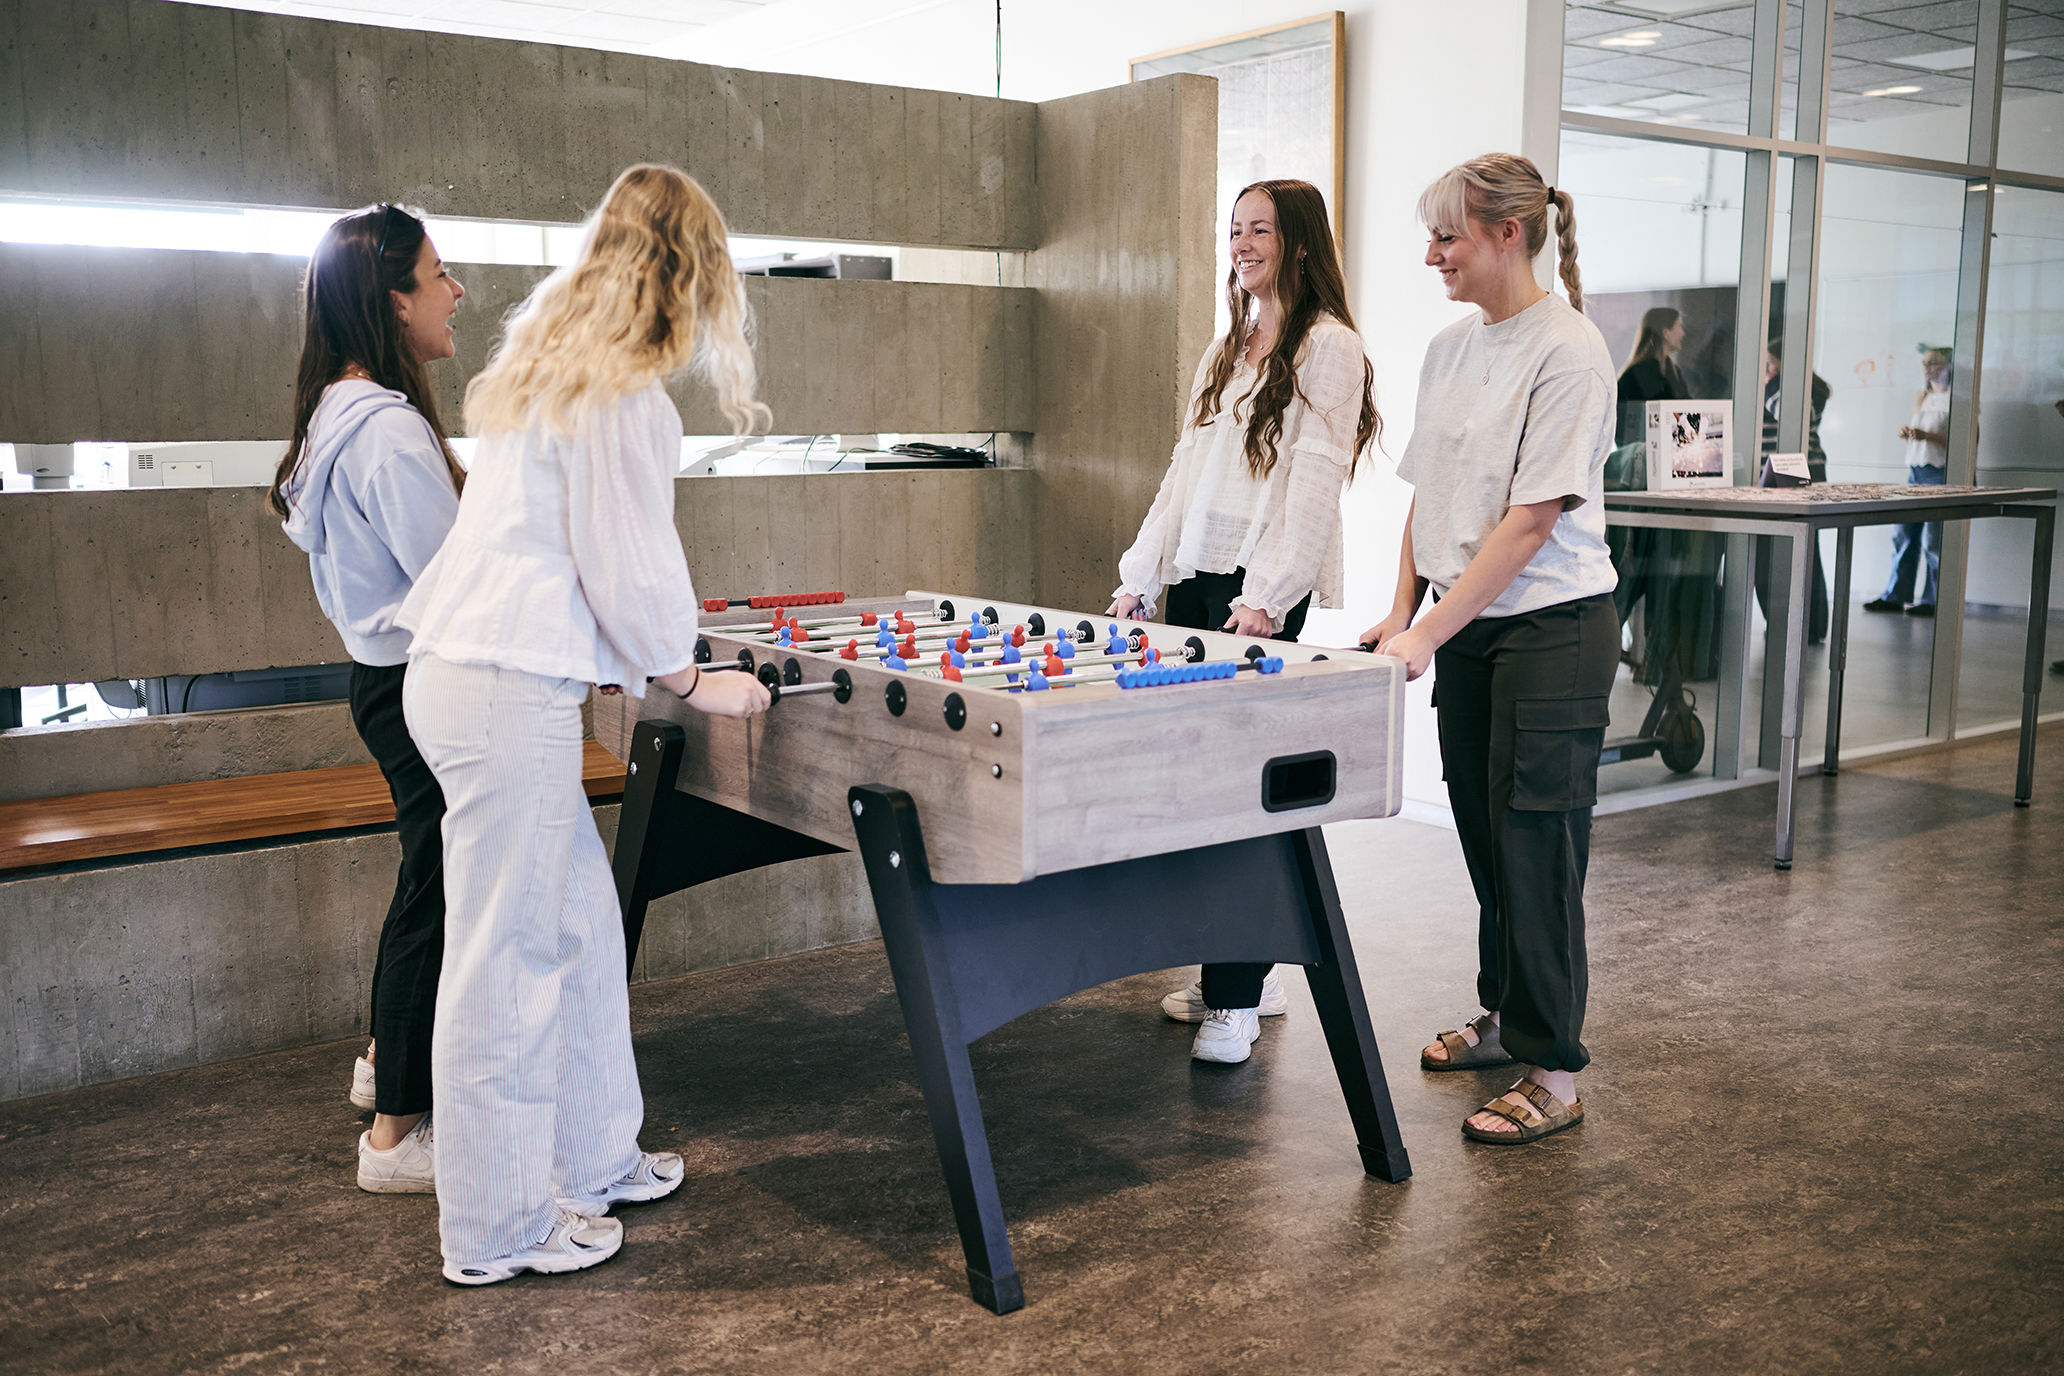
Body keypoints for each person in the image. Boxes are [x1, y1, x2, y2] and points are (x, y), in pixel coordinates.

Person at [395, 164, 772, 1285]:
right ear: (689, 276)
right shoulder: (618, 394)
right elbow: (631, 568)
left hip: (478, 676)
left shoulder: (555, 369)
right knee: (507, 959)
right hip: (504, 687)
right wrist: (696, 680)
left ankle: (595, 1154)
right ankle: (499, 1226)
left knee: (579, 926)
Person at [1363, 153, 1618, 1145]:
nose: (1432, 255)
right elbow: (1430, 496)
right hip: (1471, 626)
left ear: (1507, 235)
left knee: (1535, 844)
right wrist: (1399, 611)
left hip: (1553, 629)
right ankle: (1506, 1017)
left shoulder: (1570, 350)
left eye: (1447, 237)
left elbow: (1530, 520)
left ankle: (1553, 1069)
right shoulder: (1450, 348)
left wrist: (1428, 629)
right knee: (1484, 833)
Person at [1107, 178, 1381, 1066]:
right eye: (1233, 230)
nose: (1242, 244)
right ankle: (1240, 981)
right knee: (1197, 790)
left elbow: (1311, 487)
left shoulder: (1331, 347)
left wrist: (1267, 596)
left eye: (1259, 229)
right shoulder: (1228, 346)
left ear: (1299, 242)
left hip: (1260, 592)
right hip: (1196, 576)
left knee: (1245, 791)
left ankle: (1236, 996)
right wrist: (1140, 576)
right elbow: (1183, 469)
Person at [272, 203, 465, 1195]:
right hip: (420, 681)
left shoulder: (336, 416)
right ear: (392, 302)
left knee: (426, 878)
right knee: (435, 886)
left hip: (379, 681)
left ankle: (388, 1057)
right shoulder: (387, 433)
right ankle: (395, 1132)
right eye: (439, 276)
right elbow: (455, 582)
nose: (456, 291)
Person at [1865, 345, 1953, 616]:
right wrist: (1911, 433)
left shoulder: (1957, 399)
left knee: (1934, 540)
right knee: (1903, 534)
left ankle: (1933, 600)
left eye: (1934, 363)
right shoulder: (1922, 396)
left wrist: (1926, 436)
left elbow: (1966, 441)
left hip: (1941, 472)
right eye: (1925, 363)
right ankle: (1896, 594)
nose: (1928, 368)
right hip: (1915, 470)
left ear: (1950, 366)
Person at [1756, 339, 1832, 642]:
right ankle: (1799, 623)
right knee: (1802, 551)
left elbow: (1791, 417)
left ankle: (1799, 623)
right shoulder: (1801, 388)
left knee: (1795, 551)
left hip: (1793, 470)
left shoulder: (1801, 390)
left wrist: (1769, 384)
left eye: (1772, 363)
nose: (1767, 370)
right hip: (1792, 469)